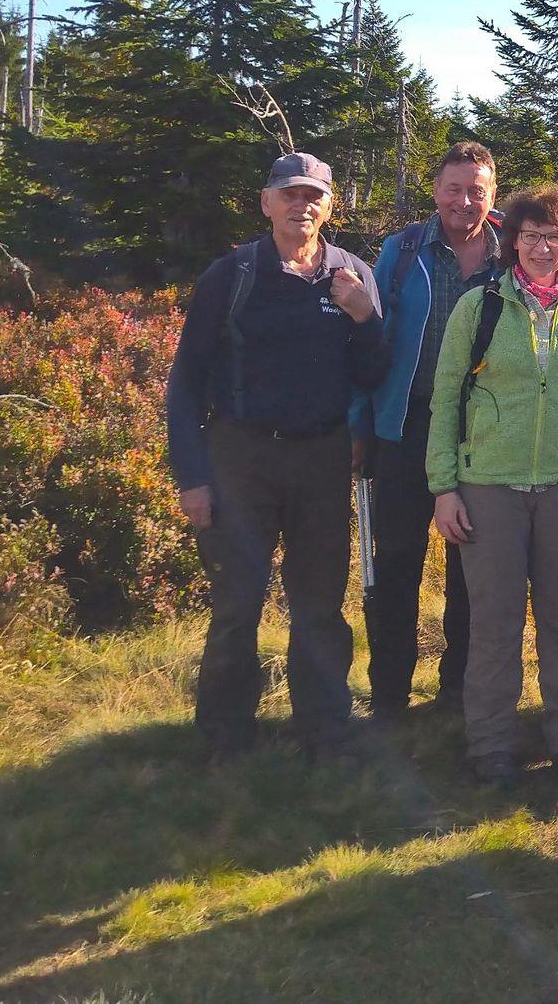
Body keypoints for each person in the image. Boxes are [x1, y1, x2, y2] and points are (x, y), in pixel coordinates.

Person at [165, 152, 386, 761]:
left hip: (322, 458)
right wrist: (193, 477)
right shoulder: (231, 275)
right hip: (241, 457)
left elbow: (373, 372)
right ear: (267, 202)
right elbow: (186, 384)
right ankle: (225, 736)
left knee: (320, 602)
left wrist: (364, 318)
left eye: (314, 195)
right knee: (237, 602)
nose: (302, 205)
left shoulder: (352, 276)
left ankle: (325, 730)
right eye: (290, 193)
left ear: (330, 206)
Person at [426, 186, 558, 789]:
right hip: (489, 487)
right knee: (494, 623)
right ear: (513, 242)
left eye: (554, 237)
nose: (542, 248)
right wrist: (444, 487)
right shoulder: (478, 307)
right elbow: (445, 399)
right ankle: (490, 745)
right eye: (531, 236)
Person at [353, 141, 501, 720]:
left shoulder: (510, 256)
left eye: (476, 191)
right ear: (435, 191)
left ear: (492, 194)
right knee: (395, 565)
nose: (464, 201)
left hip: (482, 435)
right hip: (406, 427)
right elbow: (371, 341)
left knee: (471, 569)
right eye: (453, 189)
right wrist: (361, 426)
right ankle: (389, 695)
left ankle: (457, 692)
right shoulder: (402, 250)